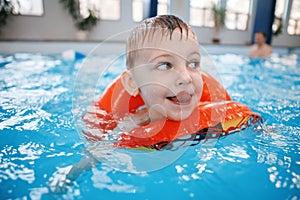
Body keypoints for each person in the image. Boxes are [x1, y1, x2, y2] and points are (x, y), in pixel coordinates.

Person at [49, 15, 262, 192]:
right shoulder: (131, 123)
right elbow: (100, 150)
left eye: (193, 63)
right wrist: (71, 173)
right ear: (133, 83)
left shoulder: (215, 105)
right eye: (165, 65)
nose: (186, 77)